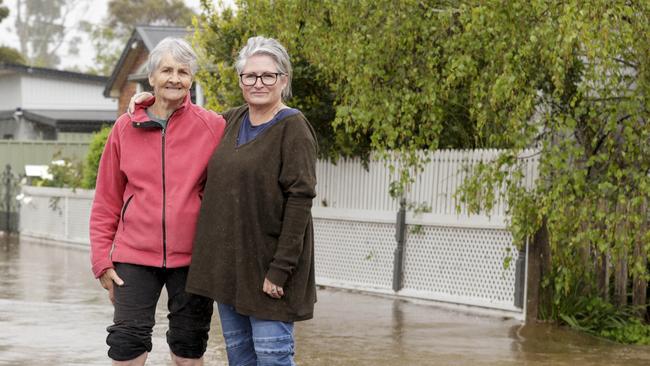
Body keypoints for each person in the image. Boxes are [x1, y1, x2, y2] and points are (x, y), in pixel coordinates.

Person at [131, 35, 318, 366]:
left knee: (273, 357)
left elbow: (300, 202)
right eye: (250, 75)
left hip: (271, 273)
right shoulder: (229, 122)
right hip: (231, 273)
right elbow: (183, 116)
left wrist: (280, 270)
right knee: (240, 359)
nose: (258, 82)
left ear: (283, 80)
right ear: (241, 80)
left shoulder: (294, 128)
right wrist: (151, 101)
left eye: (267, 75)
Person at [90, 37, 226, 366]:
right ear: (151, 77)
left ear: (191, 79)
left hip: (194, 259)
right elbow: (106, 201)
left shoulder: (213, 126)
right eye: (166, 70)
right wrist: (101, 261)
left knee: (188, 351)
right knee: (127, 349)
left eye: (183, 71)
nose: (174, 78)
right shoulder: (124, 128)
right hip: (134, 258)